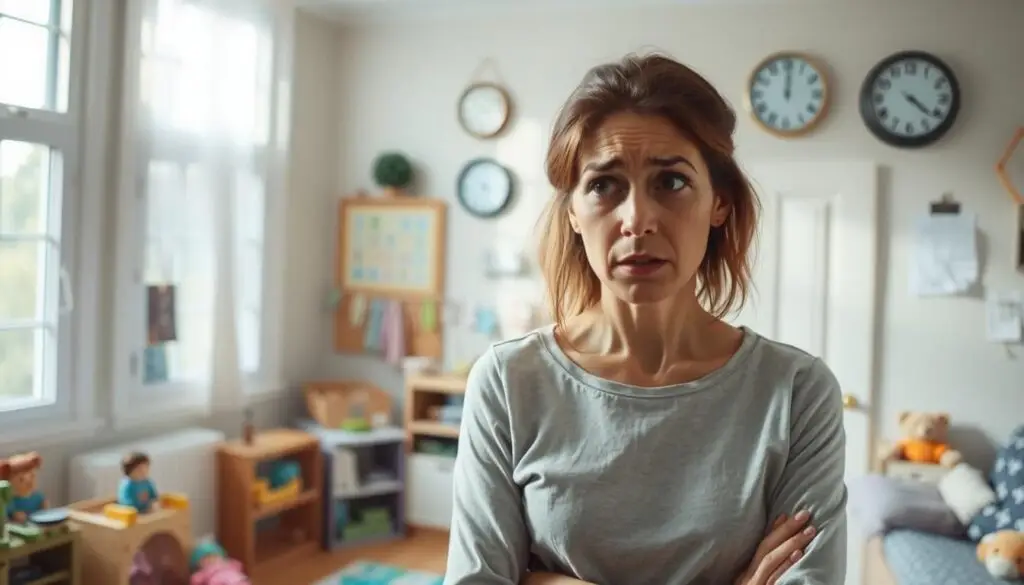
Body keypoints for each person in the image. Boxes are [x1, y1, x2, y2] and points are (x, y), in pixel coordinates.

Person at [444, 53, 846, 585]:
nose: (637, 220)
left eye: (672, 183)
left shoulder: (796, 391)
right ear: (573, 212)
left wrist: (538, 578)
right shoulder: (507, 382)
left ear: (718, 203)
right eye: (604, 186)